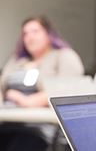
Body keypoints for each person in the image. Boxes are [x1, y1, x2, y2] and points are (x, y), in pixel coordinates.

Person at [0, 16, 84, 151]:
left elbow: (69, 89)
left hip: (41, 126)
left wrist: (26, 100)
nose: (30, 37)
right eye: (25, 34)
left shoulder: (64, 55)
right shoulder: (17, 60)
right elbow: (2, 85)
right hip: (9, 121)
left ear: (48, 34)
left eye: (35, 31)